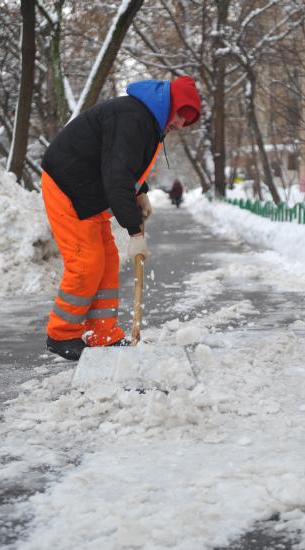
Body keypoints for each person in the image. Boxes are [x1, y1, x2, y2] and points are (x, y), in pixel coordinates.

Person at [41, 76, 201, 360]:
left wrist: (140, 191)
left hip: (88, 190)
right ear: (171, 104)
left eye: (184, 122)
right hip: (68, 185)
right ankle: (61, 334)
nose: (178, 125)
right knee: (86, 262)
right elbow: (116, 177)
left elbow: (123, 164)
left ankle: (102, 333)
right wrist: (135, 234)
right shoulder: (133, 118)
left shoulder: (146, 120)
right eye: (179, 117)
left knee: (107, 259)